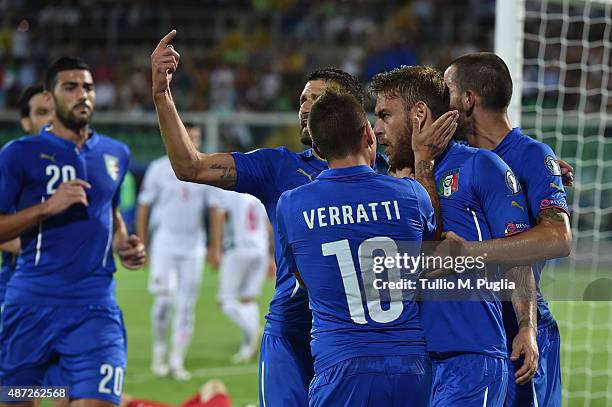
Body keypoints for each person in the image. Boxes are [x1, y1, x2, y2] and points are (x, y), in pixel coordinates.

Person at [371, 65, 538, 406]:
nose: (378, 129)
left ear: (419, 114)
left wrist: (526, 326)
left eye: (386, 116)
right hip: (406, 359)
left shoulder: (481, 166)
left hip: (470, 356)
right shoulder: (383, 180)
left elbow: (516, 256)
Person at [0, 57, 146, 407]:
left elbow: (108, 210)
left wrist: (123, 242)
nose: (82, 95)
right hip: (31, 304)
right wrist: (46, 208)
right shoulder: (19, 154)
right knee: (21, 399)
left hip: (95, 307)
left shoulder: (116, 153)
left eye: (88, 87)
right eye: (71, 87)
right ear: (50, 99)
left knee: (93, 400)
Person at [276, 89, 435, 405]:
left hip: (340, 365)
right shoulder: (411, 195)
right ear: (368, 134)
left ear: (318, 149)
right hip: (410, 365)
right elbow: (430, 256)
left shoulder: (292, 205)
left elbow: (303, 278)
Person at [441, 52, 572, 407]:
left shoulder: (531, 155)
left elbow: (558, 238)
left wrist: (469, 253)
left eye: (447, 91)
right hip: (472, 330)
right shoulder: (454, 157)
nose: (440, 101)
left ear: (467, 100)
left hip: (521, 324)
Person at [136, 122, 223, 380]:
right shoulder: (158, 169)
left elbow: (215, 209)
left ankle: (176, 360)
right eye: (188, 136)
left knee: (186, 307)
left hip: (193, 247)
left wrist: (214, 246)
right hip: (165, 244)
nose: (192, 142)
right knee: (164, 301)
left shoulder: (206, 169)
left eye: (196, 137)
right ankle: (159, 352)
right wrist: (143, 242)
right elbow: (144, 206)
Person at [0, 83, 55, 305]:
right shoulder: (11, 161)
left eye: (55, 111)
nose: (51, 119)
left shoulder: (83, 162)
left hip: (69, 290)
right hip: (17, 285)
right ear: (25, 122)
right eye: (42, 113)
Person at [208, 189, 272, 363]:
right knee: (248, 299)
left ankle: (254, 330)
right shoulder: (256, 193)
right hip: (260, 249)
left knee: (225, 302)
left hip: (238, 249)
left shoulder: (226, 191)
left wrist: (216, 248)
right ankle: (247, 348)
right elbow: (268, 224)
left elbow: (220, 215)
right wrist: (271, 255)